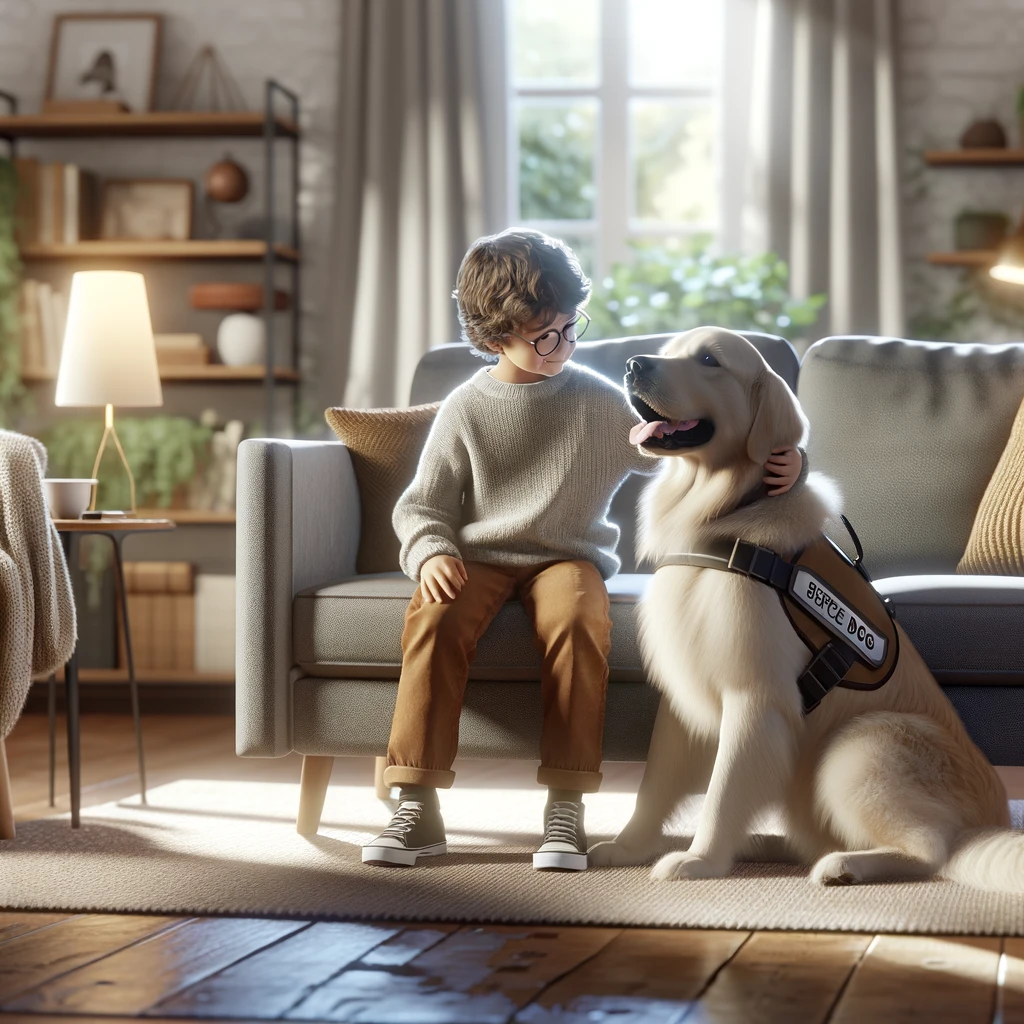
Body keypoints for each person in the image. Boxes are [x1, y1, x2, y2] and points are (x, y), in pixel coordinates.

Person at [361, 228, 803, 871]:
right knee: (434, 618)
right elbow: (422, 503)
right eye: (545, 336)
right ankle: (416, 804)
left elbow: (689, 444)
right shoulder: (465, 409)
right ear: (494, 338)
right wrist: (430, 552)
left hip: (567, 559)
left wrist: (786, 461)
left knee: (578, 621)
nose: (563, 346)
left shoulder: (595, 399)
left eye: (572, 328)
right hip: (478, 557)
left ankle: (565, 808)